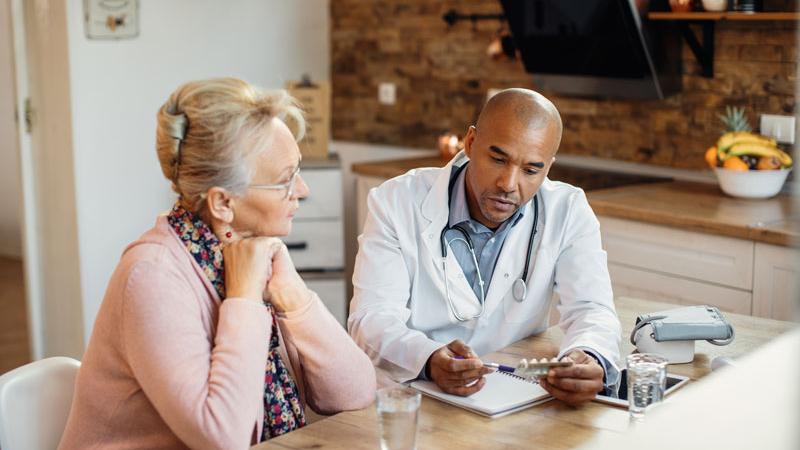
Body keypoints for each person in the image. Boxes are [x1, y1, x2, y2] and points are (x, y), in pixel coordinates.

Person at [59, 77, 375, 449]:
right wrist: (243, 299)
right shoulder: (152, 276)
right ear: (223, 203)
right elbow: (223, 438)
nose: (302, 191)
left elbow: (356, 393)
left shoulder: (252, 251)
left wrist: (295, 298)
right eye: (285, 180)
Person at [348, 88, 620, 406]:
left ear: (548, 167)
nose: (508, 183)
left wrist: (591, 355)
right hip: (412, 393)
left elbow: (592, 309)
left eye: (531, 170)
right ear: (471, 142)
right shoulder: (397, 201)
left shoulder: (567, 210)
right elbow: (371, 320)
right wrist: (428, 357)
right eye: (498, 159)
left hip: (511, 396)